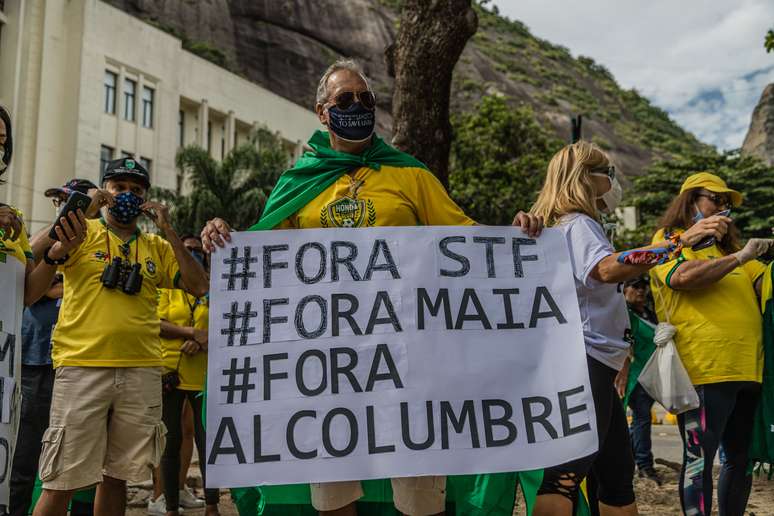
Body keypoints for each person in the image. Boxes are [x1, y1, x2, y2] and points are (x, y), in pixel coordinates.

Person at [201, 58, 542, 516]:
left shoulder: (411, 175)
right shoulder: (298, 182)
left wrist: (516, 236)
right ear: (322, 112)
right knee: (333, 488)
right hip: (326, 361)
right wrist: (223, 235)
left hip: (407, 360)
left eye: (366, 98)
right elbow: (261, 256)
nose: (358, 106)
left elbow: (466, 240)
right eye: (345, 99)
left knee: (420, 486)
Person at [528, 141, 724, 516]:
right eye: (608, 172)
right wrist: (677, 243)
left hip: (597, 361)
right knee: (567, 474)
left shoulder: (574, 225)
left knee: (616, 471)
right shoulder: (579, 224)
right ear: (586, 178)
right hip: (585, 362)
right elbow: (605, 270)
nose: (613, 181)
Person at [27, 157, 209, 516]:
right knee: (61, 479)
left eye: (136, 190)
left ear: (146, 200)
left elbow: (199, 284)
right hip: (82, 368)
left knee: (118, 477)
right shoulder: (83, 232)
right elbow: (32, 253)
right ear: (104, 191)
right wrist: (78, 214)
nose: (127, 195)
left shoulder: (157, 247)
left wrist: (169, 230)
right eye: (119, 188)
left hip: (140, 371)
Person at [649, 172, 774, 516]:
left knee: (740, 460)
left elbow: (767, 284)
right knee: (698, 460)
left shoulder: (729, 251)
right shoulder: (669, 240)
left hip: (749, 369)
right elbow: (682, 279)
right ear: (690, 200)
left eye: (728, 205)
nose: (723, 210)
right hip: (705, 370)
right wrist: (741, 258)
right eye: (716, 200)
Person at [153, 234, 219, 516]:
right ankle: (170, 507)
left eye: (196, 251)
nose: (192, 255)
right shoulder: (169, 287)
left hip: (205, 376)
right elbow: (154, 322)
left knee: (208, 444)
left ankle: (213, 504)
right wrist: (190, 333)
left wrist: (204, 340)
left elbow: (228, 322)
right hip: (170, 374)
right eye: (187, 250)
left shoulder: (213, 288)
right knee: (171, 441)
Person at [615, 276, 662, 486]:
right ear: (625, 289)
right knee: (641, 419)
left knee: (639, 421)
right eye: (635, 286)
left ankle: (633, 461)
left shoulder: (651, 314)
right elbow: (625, 342)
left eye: (644, 287)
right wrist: (624, 371)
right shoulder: (624, 313)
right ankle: (644, 465)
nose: (641, 291)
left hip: (650, 373)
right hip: (632, 376)